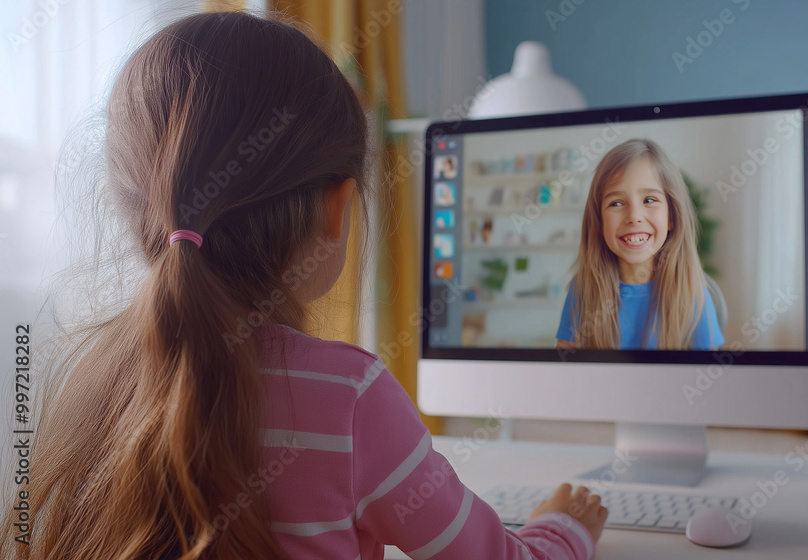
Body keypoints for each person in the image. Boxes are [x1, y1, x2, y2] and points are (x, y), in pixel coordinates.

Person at [0, 12, 605, 560]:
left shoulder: (92, 382)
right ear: (337, 211)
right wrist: (563, 527)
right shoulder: (349, 397)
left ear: (134, 205)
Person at [556, 139, 724, 350]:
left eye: (649, 200)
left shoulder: (692, 294)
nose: (634, 217)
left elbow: (708, 374)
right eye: (616, 203)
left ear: (672, 216)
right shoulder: (583, 290)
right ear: (599, 223)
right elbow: (564, 370)